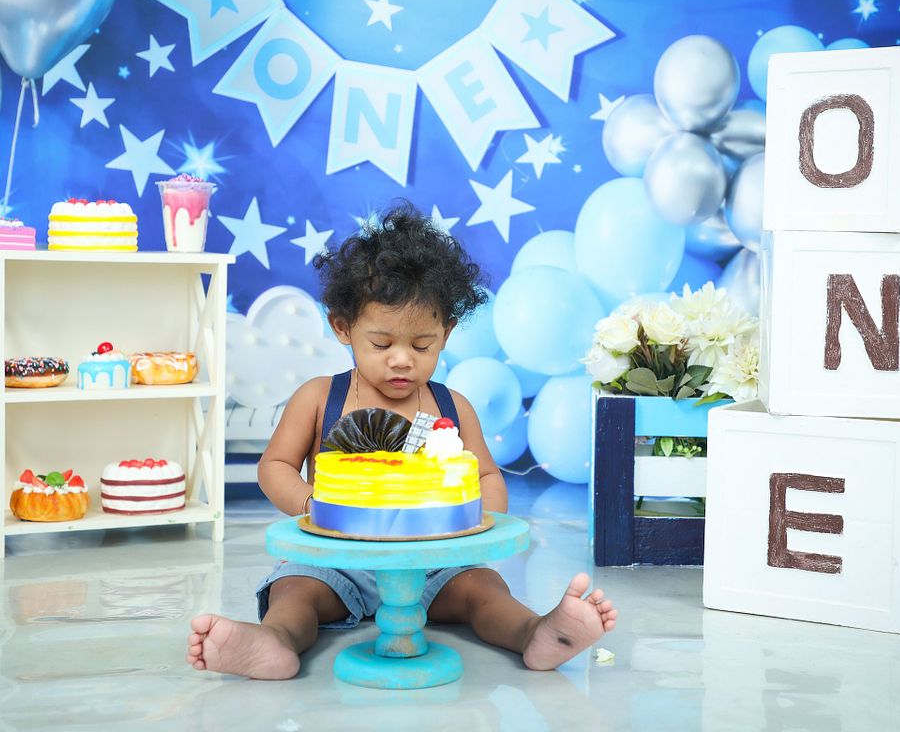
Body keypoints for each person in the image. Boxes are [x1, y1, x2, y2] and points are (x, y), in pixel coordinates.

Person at [186, 203, 617, 679]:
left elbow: (487, 475)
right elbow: (275, 467)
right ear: (343, 326)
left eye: (421, 345)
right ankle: (275, 641)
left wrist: (477, 523)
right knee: (295, 593)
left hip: (432, 562)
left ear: (446, 333)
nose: (402, 360)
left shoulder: (451, 406)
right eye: (381, 343)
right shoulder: (320, 397)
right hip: (339, 559)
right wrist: (314, 507)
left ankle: (534, 633)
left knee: (485, 590)